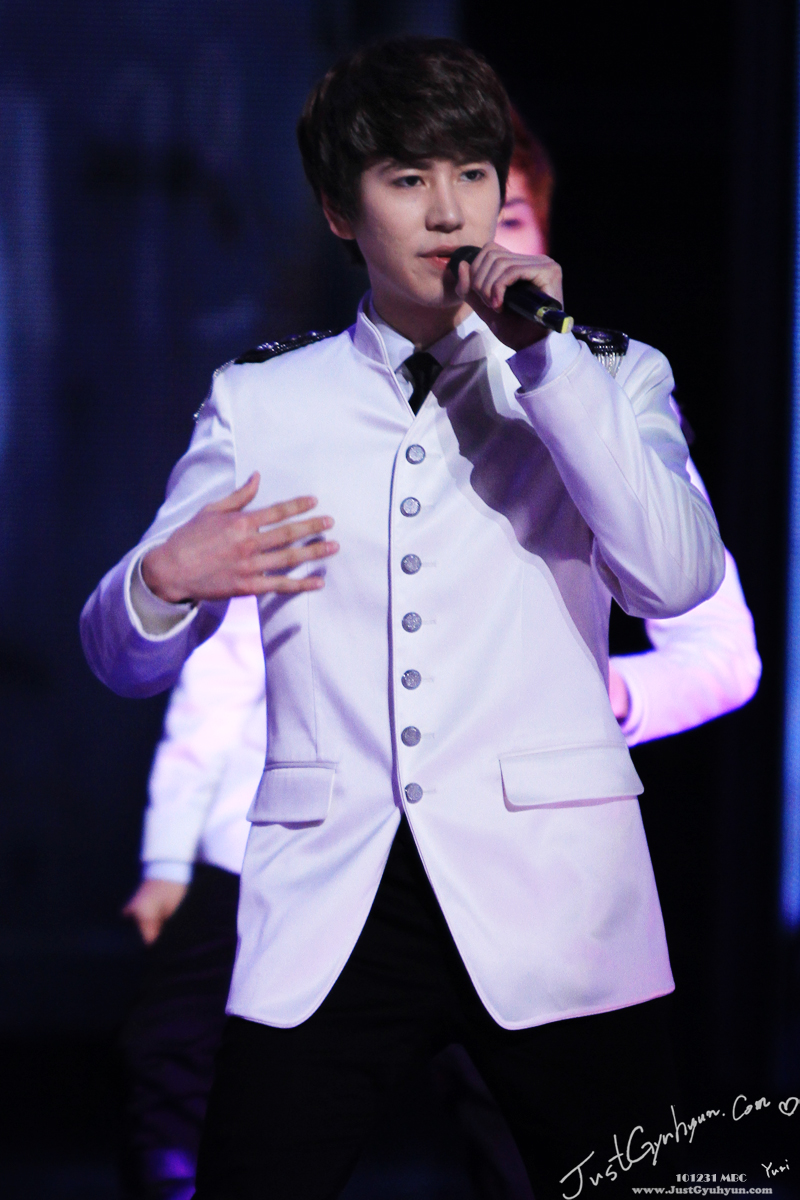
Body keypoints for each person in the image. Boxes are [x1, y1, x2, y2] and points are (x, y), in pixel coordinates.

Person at [82, 38, 726, 1199]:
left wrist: (551, 367)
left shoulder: (609, 375)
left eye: (472, 174)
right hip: (328, 901)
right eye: (407, 178)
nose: (448, 211)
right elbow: (119, 658)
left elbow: (674, 582)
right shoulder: (263, 402)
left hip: (557, 896)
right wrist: (164, 580)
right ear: (340, 210)